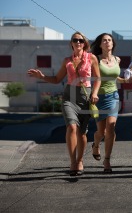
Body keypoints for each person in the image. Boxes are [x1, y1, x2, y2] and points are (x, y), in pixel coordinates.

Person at [27, 31, 101, 176]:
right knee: (72, 127)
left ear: (84, 43)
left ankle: (80, 160)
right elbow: (56, 79)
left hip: (85, 98)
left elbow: (98, 78)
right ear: (71, 43)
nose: (78, 42)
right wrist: (42, 77)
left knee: (82, 133)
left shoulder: (92, 58)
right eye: (75, 40)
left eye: (81, 40)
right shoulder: (67, 60)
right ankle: (73, 162)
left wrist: (95, 93)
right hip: (69, 97)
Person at [90, 33, 128, 173]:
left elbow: (116, 77)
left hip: (113, 96)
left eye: (109, 40)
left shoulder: (117, 59)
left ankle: (107, 160)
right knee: (101, 131)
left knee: (111, 127)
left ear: (113, 43)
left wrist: (127, 80)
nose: (107, 42)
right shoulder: (95, 59)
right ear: (100, 44)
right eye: (104, 40)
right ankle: (96, 143)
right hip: (99, 97)